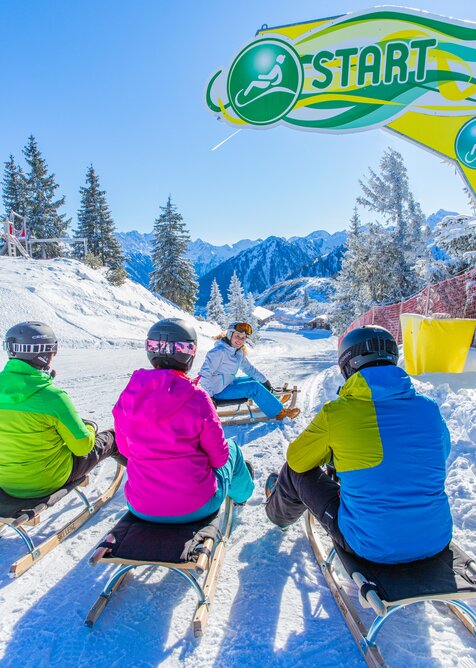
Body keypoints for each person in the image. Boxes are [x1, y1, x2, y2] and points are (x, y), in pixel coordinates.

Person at [265, 325, 453, 564]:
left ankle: (278, 516)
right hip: (436, 538)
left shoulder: (338, 412)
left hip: (370, 544)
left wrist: (338, 456)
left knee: (292, 472)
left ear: (347, 366)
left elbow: (297, 459)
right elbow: (441, 453)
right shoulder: (429, 408)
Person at [112, 318, 254, 523]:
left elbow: (125, 451)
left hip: (141, 505)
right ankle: (242, 496)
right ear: (190, 354)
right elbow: (219, 457)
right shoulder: (197, 397)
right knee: (232, 450)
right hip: (196, 506)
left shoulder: (129, 395)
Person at [0, 321, 122, 499]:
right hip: (47, 481)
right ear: (46, 353)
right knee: (111, 438)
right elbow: (82, 447)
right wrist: (89, 429)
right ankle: (147, 483)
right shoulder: (53, 397)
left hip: (5, 482)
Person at [198, 321, 300, 421]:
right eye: (237, 336)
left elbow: (249, 369)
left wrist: (264, 381)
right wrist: (209, 397)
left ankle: (271, 401)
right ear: (229, 335)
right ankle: (279, 413)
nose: (240, 340)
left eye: (243, 338)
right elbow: (204, 374)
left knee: (255, 380)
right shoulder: (218, 352)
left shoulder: (237, 352)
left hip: (226, 384)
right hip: (217, 391)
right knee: (253, 387)